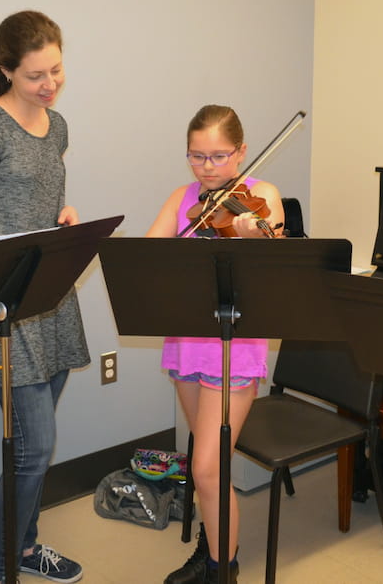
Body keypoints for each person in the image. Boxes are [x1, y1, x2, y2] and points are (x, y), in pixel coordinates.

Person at [0, 10, 85, 584]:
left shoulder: (57, 127)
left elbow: (40, 201)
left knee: (32, 446)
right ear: (6, 70)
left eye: (55, 70)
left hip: (50, 298)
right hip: (2, 309)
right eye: (34, 76)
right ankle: (7, 566)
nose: (48, 84)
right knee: (33, 448)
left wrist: (64, 216)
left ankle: (24, 549)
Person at [146, 104, 285, 584]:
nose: (207, 168)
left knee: (206, 468)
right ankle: (212, 551)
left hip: (235, 348)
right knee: (209, 466)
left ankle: (222, 571)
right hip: (187, 344)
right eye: (197, 156)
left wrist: (250, 233)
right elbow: (149, 255)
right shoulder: (183, 197)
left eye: (219, 156)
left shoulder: (261, 195)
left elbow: (273, 260)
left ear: (242, 151)